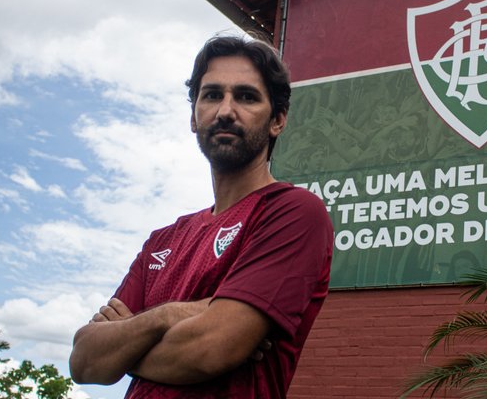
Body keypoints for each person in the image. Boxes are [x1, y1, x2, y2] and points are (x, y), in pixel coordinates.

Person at [68, 35, 334, 398]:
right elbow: (84, 362)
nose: (225, 110)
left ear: (278, 121)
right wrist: (168, 316)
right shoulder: (162, 240)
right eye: (212, 95)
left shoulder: (293, 212)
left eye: (246, 96)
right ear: (194, 116)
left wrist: (126, 344)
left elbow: (211, 349)